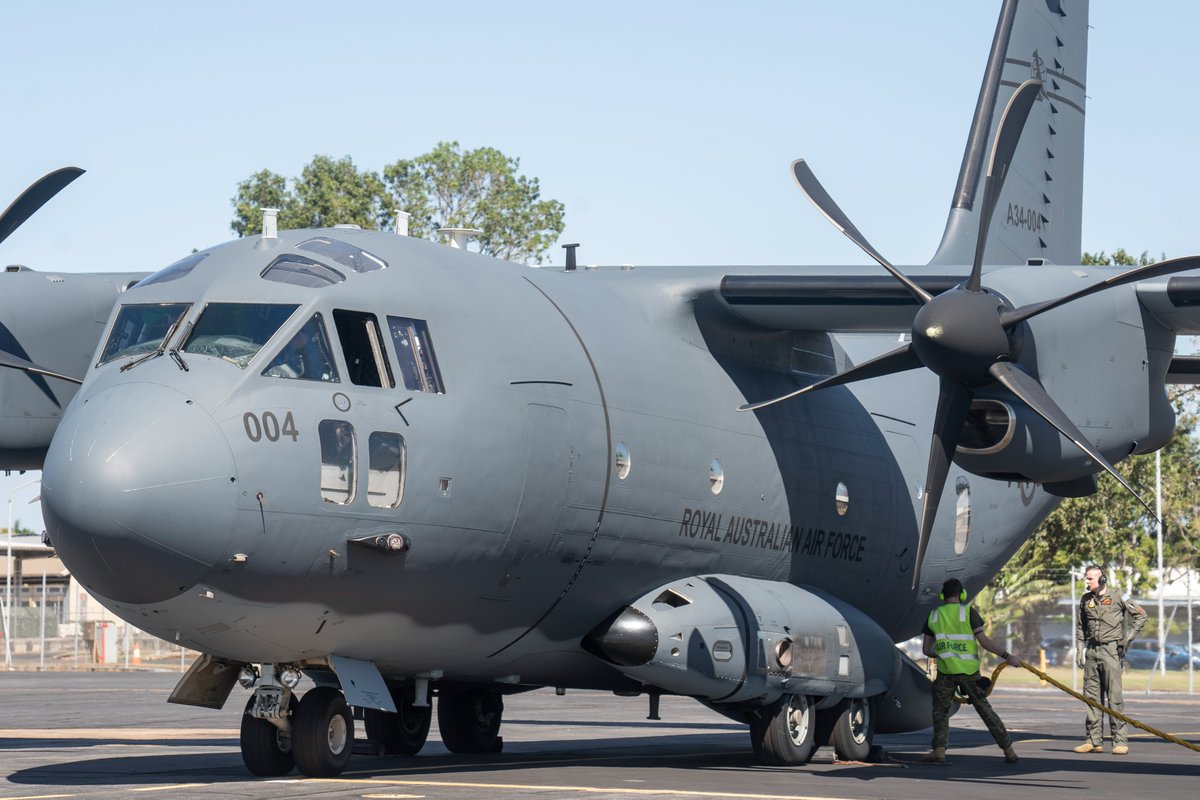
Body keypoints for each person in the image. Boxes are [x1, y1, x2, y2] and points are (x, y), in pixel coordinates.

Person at [921, 578, 1020, 764]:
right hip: (969, 673)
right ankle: (1009, 750)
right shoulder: (968, 612)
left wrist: (945, 653)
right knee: (985, 711)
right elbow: (984, 642)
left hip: (945, 673)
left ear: (943, 595)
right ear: (962, 594)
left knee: (940, 713)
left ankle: (939, 751)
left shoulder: (933, 615)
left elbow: (926, 650)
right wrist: (1007, 656)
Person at [1073, 564, 1147, 755]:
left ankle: (1120, 741)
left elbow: (1141, 616)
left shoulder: (1118, 596)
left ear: (1102, 579)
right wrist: (1080, 649)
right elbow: (1081, 627)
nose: (1086, 581)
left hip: (1110, 651)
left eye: (1090, 578)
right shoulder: (1085, 599)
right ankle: (1093, 740)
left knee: (1114, 698)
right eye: (1086, 578)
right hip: (1091, 652)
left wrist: (1127, 639)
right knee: (1091, 698)